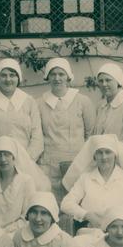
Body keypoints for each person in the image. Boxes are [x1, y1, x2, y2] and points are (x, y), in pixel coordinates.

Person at [61, 134, 123, 233]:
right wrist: (87, 215)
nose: (104, 157)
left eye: (108, 152)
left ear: (115, 155)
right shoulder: (85, 178)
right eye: (100, 153)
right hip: (93, 232)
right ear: (94, 156)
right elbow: (66, 204)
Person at [37, 57, 95, 202]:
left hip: (76, 162)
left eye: (61, 74)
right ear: (47, 77)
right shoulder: (38, 103)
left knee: (77, 202)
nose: (57, 78)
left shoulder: (83, 101)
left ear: (68, 76)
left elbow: (90, 133)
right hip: (49, 165)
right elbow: (37, 134)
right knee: (52, 202)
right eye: (53, 74)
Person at [0, 58, 43, 164]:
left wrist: (26, 160)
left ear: (18, 78)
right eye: (3, 75)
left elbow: (37, 136)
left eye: (12, 75)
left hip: (25, 162)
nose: (8, 79)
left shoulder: (29, 102)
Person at [91, 63, 123, 151]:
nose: (104, 84)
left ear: (118, 81)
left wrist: (109, 152)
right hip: (102, 159)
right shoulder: (100, 106)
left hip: (122, 158)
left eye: (108, 80)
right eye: (101, 81)